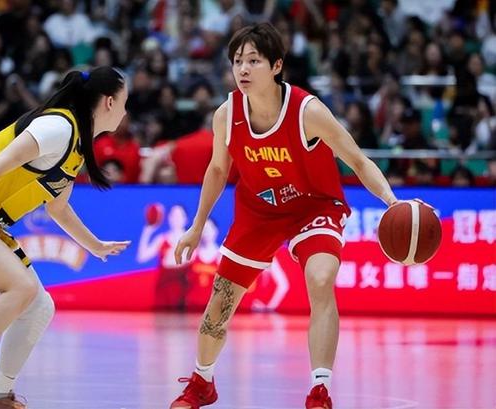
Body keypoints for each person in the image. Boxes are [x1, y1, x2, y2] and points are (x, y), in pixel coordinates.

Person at [169, 23, 399, 409]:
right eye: (237, 61)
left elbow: (358, 160)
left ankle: (319, 391)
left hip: (314, 206)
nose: (243, 69)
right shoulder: (226, 115)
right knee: (220, 301)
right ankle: (202, 382)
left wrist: (391, 201)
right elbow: (218, 170)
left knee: (320, 279)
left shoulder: (308, 111)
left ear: (276, 66)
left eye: (253, 61)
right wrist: (196, 226)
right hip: (259, 211)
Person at [0, 67, 130, 409]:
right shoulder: (58, 127)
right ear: (109, 102)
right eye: (124, 102)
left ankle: (0, 396)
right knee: (21, 288)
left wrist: (95, 245)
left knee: (39, 307)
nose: (125, 111)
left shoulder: (76, 146)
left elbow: (58, 208)